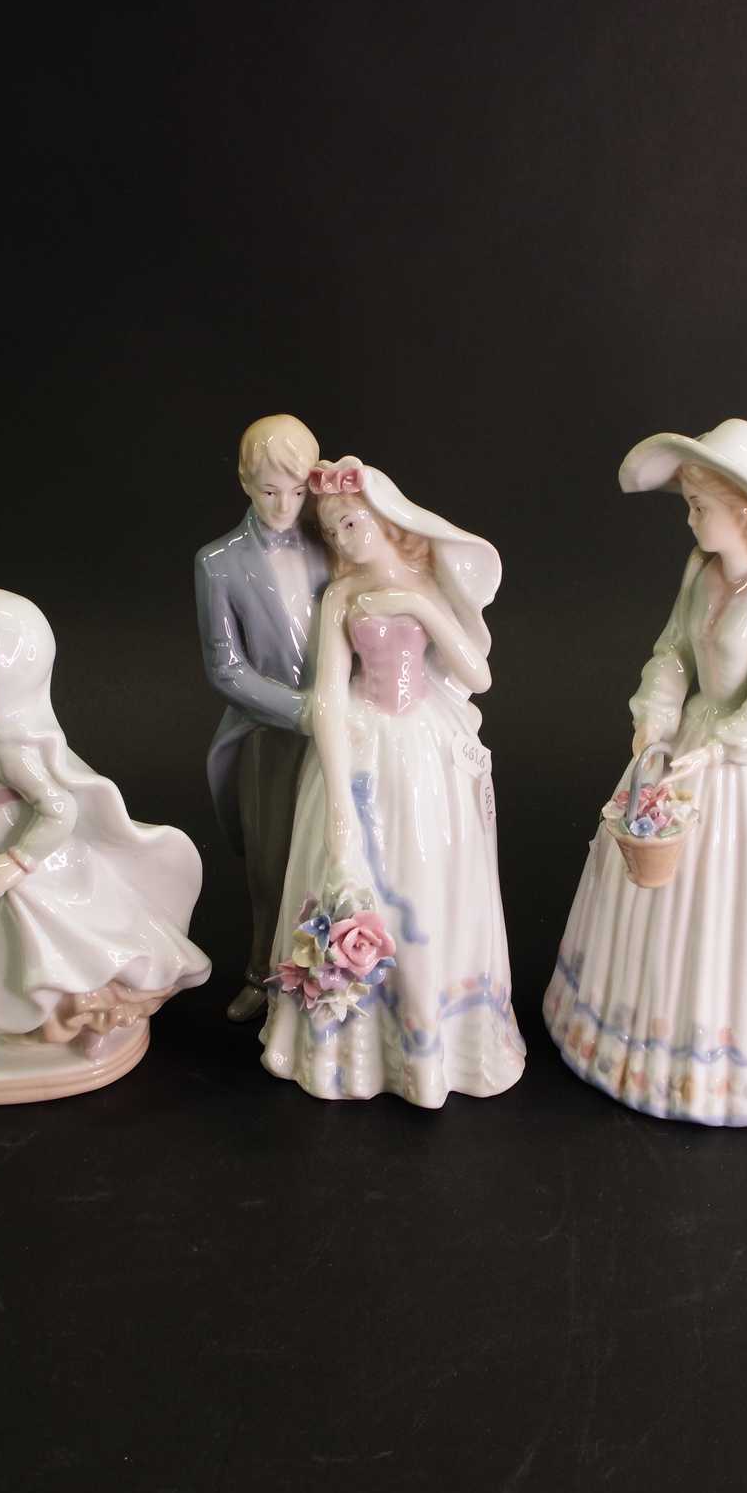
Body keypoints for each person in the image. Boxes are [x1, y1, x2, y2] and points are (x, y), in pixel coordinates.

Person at [543, 419, 747, 1125]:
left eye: (700, 506)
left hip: (740, 759)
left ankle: (738, 1060)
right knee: (644, 871)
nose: (690, 520)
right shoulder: (699, 570)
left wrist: (720, 745)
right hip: (683, 740)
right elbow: (672, 653)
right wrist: (655, 716)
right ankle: (634, 1034)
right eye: (690, 505)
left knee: (737, 895)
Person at [259, 458, 525, 1106]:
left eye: (353, 523)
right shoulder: (340, 597)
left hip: (422, 747)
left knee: (425, 876)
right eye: (333, 530)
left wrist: (418, 606)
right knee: (349, 870)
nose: (343, 539)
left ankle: (432, 1041)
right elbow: (327, 695)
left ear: (389, 522)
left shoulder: (424, 587)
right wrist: (336, 790)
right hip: (362, 739)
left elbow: (478, 675)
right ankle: (344, 1047)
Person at [0, 587, 209, 1049]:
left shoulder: (5, 743)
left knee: (48, 937)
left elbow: (59, 808)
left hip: (31, 851)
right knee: (7, 934)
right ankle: (30, 1010)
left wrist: (17, 862)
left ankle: (70, 1012)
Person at [195, 414, 329, 1023]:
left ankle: (326, 974)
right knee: (271, 862)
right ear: (245, 483)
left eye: (297, 491)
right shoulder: (218, 563)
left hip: (341, 726)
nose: (284, 506)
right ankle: (261, 973)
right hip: (270, 733)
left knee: (331, 853)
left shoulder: (332, 541)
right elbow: (226, 669)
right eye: (270, 490)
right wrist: (301, 711)